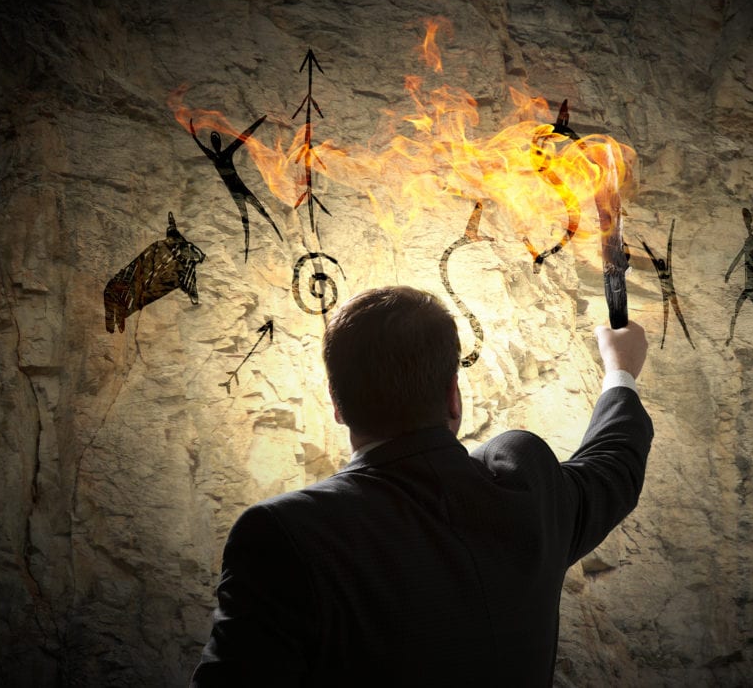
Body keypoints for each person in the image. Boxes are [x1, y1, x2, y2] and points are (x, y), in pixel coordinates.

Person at [190, 286, 653, 686]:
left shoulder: (284, 534)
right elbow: (615, 463)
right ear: (454, 395)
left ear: (337, 405)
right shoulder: (529, 497)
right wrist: (620, 372)